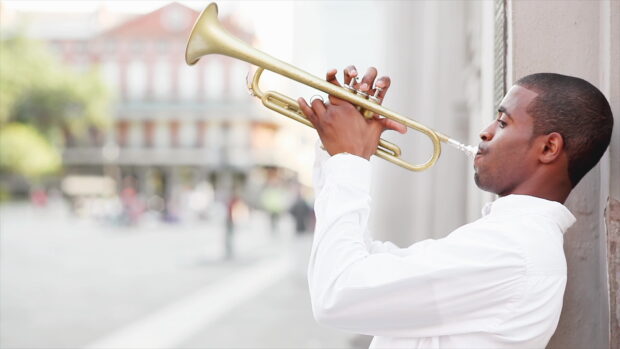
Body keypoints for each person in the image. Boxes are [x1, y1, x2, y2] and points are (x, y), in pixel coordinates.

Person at [296, 68, 614, 348]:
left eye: (503, 122)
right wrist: (337, 150)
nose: (485, 132)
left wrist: (348, 161)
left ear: (548, 148)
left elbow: (337, 293)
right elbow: (368, 265)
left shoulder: (512, 250)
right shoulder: (510, 241)